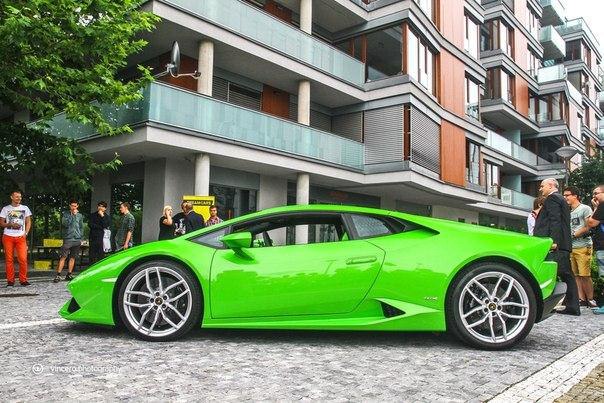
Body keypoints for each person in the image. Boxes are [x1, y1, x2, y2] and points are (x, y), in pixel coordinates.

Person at [534, 178, 580, 316]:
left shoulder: (552, 199)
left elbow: (555, 220)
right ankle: (571, 305)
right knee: (566, 274)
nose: (540, 189)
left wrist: (553, 241)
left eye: (542, 186)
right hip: (561, 245)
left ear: (550, 185)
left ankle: (570, 306)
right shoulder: (559, 199)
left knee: (562, 274)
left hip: (557, 245)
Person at [563, 186, 596, 308]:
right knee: (576, 275)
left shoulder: (585, 208)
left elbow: (590, 225)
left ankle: (591, 299)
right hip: (572, 246)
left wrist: (576, 233)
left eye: (567, 195)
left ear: (575, 196)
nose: (565, 197)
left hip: (583, 245)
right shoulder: (568, 211)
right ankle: (581, 299)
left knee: (585, 274)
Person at [0, 190, 32, 286]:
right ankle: (10, 281)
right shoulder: (6, 209)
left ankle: (23, 280)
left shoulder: (25, 208)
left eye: (20, 197)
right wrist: (10, 224)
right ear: (12, 197)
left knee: (23, 259)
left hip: (21, 237)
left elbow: (28, 222)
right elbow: (1, 223)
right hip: (8, 236)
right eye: (17, 196)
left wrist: (25, 233)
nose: (19, 198)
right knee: (9, 260)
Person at [53, 199, 84, 283]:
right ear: (70, 206)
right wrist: (72, 216)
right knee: (63, 256)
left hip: (77, 239)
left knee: (73, 257)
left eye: (75, 206)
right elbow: (65, 224)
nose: (74, 207)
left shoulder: (80, 215)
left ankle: (69, 274)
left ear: (77, 206)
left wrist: (81, 237)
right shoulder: (66, 214)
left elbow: (81, 227)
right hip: (68, 238)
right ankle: (58, 275)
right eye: (72, 206)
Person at [587, 185, 604, 314]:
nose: (594, 197)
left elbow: (591, 222)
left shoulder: (602, 206)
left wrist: (596, 208)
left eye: (596, 193)